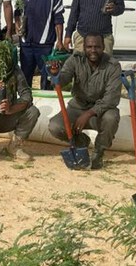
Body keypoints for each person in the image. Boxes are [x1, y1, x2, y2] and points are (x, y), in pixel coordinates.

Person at [48, 33, 122, 169]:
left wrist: (88, 113)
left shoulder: (113, 66)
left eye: (97, 47)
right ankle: (80, 142)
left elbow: (112, 99)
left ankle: (98, 153)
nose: (93, 50)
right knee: (55, 126)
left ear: (103, 47)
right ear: (84, 47)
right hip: (77, 106)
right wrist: (55, 74)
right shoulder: (74, 60)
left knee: (112, 117)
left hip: (100, 110)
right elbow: (62, 80)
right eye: (89, 47)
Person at [14, 0, 64, 90]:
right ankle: (26, 105)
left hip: (45, 45)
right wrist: (18, 26)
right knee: (25, 78)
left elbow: (58, 19)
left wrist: (60, 40)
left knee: (46, 78)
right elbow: (17, 12)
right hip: (26, 44)